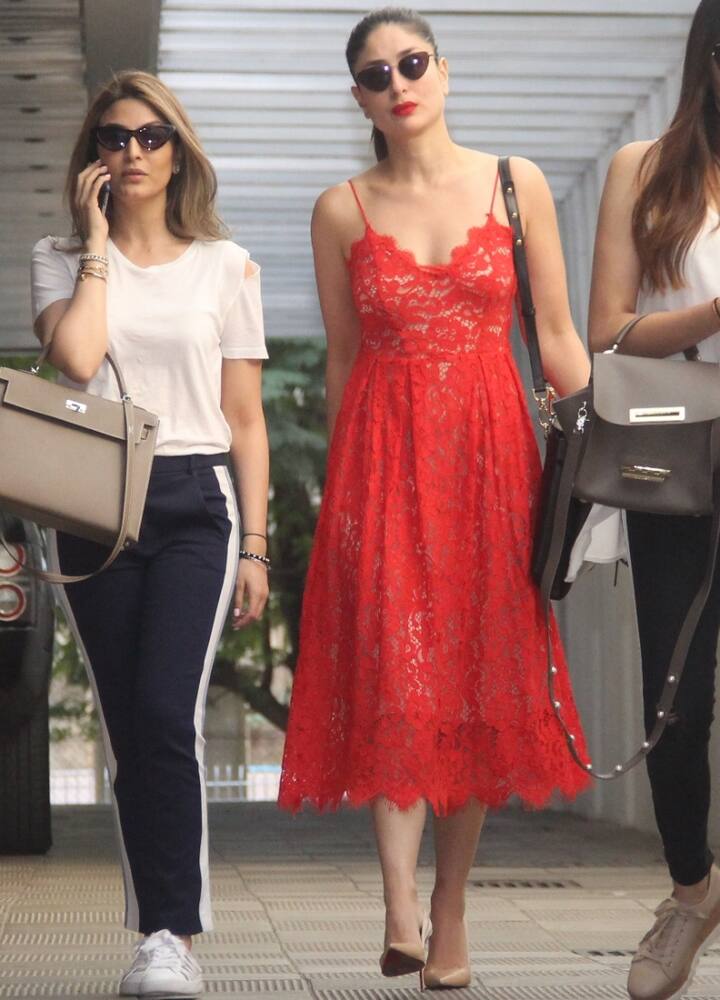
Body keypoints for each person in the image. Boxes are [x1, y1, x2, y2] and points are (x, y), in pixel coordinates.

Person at [278, 6, 591, 989]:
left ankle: (451, 908)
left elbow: (557, 333)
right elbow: (342, 357)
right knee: (399, 681)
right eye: (376, 74)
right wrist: (342, 495)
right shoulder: (341, 209)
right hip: (381, 464)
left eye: (412, 63)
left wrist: (594, 455)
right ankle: (400, 904)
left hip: (496, 461)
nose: (397, 82)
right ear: (359, 97)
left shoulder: (517, 182)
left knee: (479, 682)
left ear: (445, 73)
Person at [30, 71, 270, 998]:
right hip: (93, 504)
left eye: (151, 135)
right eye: (113, 136)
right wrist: (95, 246)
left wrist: (255, 545)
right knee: (131, 728)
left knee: (169, 717)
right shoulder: (57, 255)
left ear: (179, 152)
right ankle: (154, 930)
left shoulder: (226, 264)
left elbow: (245, 417)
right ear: (94, 155)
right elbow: (80, 356)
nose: (132, 150)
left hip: (193, 502)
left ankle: (170, 934)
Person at [589, 3, 720, 998]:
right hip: (677, 454)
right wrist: (712, 316)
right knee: (676, 701)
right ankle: (689, 890)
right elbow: (608, 329)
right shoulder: (645, 167)